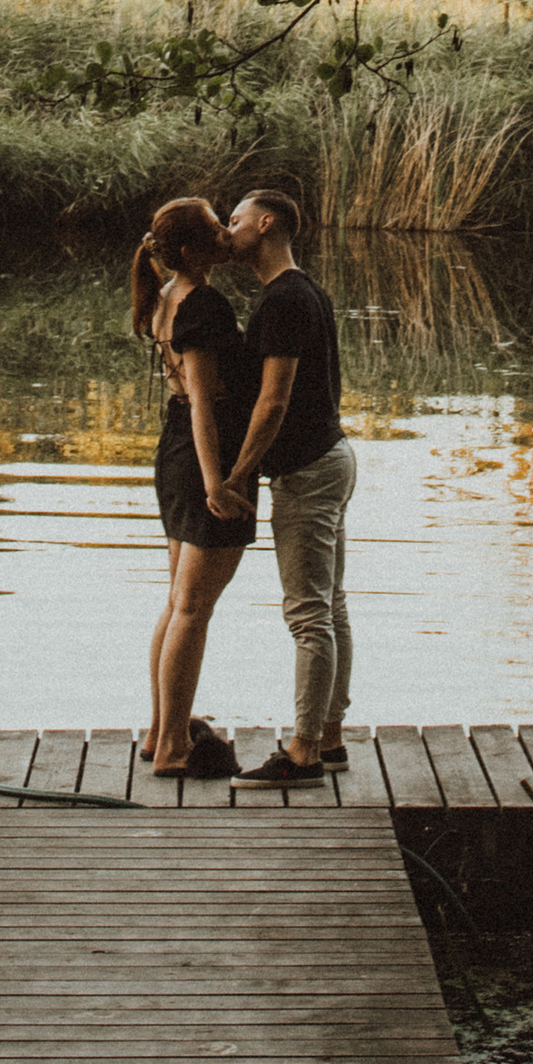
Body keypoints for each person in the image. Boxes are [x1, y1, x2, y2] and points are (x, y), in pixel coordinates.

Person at [211, 186, 353, 783]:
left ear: (265, 224)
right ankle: (329, 735)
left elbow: (274, 400)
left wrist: (236, 475)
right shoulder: (302, 291)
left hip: (308, 471)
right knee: (330, 607)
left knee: (307, 615)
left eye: (236, 220)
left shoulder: (285, 301)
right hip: (330, 458)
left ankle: (303, 753)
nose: (228, 229)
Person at [129, 194, 255, 780]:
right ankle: (176, 749)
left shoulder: (168, 297)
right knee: (192, 608)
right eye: (214, 227)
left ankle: (160, 731)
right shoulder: (202, 304)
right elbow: (205, 402)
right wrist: (219, 483)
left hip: (173, 448)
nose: (225, 232)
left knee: (179, 602)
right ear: (190, 250)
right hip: (204, 453)